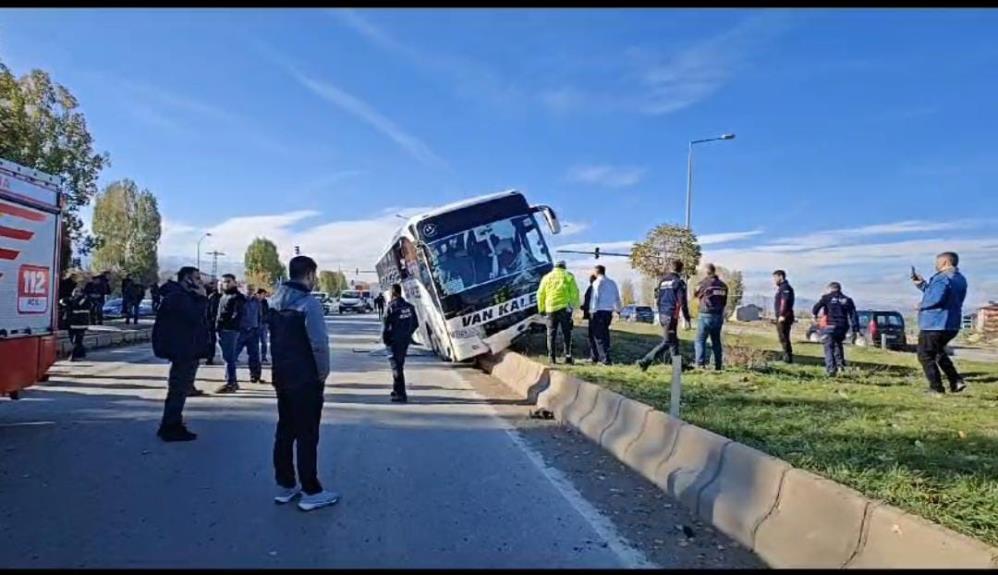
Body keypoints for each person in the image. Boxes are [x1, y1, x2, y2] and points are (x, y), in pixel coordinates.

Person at [267, 255, 338, 511]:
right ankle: (311, 489)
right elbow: (318, 344)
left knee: (285, 430)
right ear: (309, 274)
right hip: (305, 378)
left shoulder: (274, 302)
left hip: (282, 376)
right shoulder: (309, 304)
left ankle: (286, 485)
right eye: (315, 275)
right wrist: (323, 373)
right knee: (308, 433)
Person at [151, 266, 209, 442]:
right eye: (197, 278)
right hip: (183, 350)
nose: (200, 282)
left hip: (186, 349)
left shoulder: (182, 296)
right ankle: (170, 427)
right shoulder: (178, 297)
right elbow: (193, 317)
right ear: (186, 279)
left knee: (180, 390)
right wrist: (202, 297)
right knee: (178, 390)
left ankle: (172, 423)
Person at [912, 252, 968, 396]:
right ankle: (956, 381)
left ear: (944, 262)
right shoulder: (960, 279)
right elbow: (942, 294)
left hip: (935, 323)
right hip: (951, 323)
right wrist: (922, 285)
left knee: (925, 354)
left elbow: (937, 298)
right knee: (937, 352)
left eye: (937, 262)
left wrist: (921, 305)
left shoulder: (942, 278)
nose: (935, 265)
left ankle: (936, 388)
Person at [637, 259, 692, 372]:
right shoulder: (678, 282)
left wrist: (660, 312)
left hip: (663, 314)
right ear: (681, 269)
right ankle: (645, 361)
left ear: (670, 268)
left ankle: (679, 366)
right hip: (671, 315)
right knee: (668, 342)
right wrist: (687, 318)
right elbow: (682, 302)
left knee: (673, 341)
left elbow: (658, 299)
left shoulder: (662, 281)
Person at [811, 282, 859, 377]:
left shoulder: (826, 297)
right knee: (838, 344)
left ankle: (831, 369)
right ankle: (840, 365)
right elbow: (853, 315)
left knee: (828, 347)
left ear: (830, 289)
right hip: (842, 326)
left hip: (830, 325)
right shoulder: (847, 300)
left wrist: (814, 316)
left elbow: (816, 308)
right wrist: (855, 329)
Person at [536, 260, 580, 364]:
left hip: (550, 309)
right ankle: (568, 357)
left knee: (551, 333)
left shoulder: (547, 277)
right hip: (565, 308)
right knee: (566, 333)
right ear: (564, 266)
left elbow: (540, 294)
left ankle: (552, 358)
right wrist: (574, 306)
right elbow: (575, 292)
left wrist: (541, 309)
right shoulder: (568, 276)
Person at [382, 283, 419, 403]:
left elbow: (386, 326)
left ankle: (401, 394)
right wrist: (408, 334)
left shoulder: (391, 307)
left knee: (396, 367)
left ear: (392, 293)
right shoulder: (409, 307)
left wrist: (386, 340)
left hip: (394, 341)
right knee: (399, 364)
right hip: (405, 341)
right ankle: (396, 390)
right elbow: (415, 324)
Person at [215, 274, 247, 394]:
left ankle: (231, 382)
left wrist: (227, 324)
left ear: (234, 282)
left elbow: (237, 315)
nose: (226, 284)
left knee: (229, 357)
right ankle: (230, 380)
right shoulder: (224, 296)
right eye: (224, 282)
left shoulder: (237, 297)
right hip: (222, 329)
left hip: (230, 330)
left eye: (229, 281)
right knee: (226, 357)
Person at [694, 263, 728, 371]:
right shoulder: (723, 285)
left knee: (700, 340)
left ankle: (700, 364)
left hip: (706, 314)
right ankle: (718, 365)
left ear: (706, 272)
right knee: (716, 341)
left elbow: (695, 293)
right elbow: (724, 302)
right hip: (718, 315)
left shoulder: (704, 283)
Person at [587, 265, 622, 365]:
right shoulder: (612, 283)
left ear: (596, 272)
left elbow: (595, 298)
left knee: (598, 336)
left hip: (598, 311)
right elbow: (617, 298)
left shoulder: (597, 283)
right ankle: (597, 356)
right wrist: (618, 309)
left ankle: (604, 359)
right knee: (605, 334)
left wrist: (591, 311)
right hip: (608, 312)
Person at [60, 286, 92, 361]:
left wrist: (68, 304)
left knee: (77, 340)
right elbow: (61, 301)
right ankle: (81, 353)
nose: (76, 293)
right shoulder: (70, 299)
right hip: (71, 323)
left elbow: (77, 305)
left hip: (81, 323)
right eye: (75, 291)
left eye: (78, 291)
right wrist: (64, 303)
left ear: (81, 293)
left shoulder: (85, 299)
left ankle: (73, 356)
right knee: (72, 339)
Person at [773, 270, 796, 364]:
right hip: (782, 316)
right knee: (783, 336)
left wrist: (782, 315)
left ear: (780, 277)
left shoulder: (785, 288)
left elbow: (784, 302)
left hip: (785, 316)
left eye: (775, 278)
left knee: (784, 336)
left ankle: (787, 356)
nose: (774, 280)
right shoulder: (781, 288)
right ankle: (786, 354)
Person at [205, 280, 221, 366]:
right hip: (211, 322)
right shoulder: (211, 297)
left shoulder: (224, 296)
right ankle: (209, 358)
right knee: (211, 341)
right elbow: (207, 310)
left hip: (221, 322)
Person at [257, 289, 271, 364]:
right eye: (263, 294)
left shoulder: (265, 302)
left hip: (264, 324)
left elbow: (267, 312)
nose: (264, 296)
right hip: (256, 324)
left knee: (264, 342)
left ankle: (263, 357)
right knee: (254, 342)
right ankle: (255, 357)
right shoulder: (255, 301)